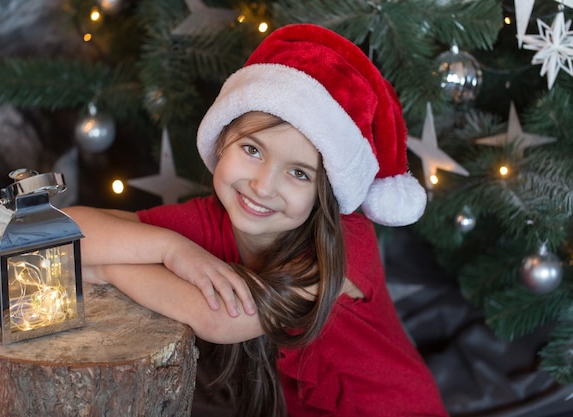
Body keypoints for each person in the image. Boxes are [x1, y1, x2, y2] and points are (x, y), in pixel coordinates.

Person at [64, 24, 448, 417]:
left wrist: (108, 268)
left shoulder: (344, 251)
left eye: (299, 173)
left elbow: (220, 319)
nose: (262, 186)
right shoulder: (215, 220)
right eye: (252, 149)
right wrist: (171, 248)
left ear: (326, 194)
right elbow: (68, 231)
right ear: (221, 138)